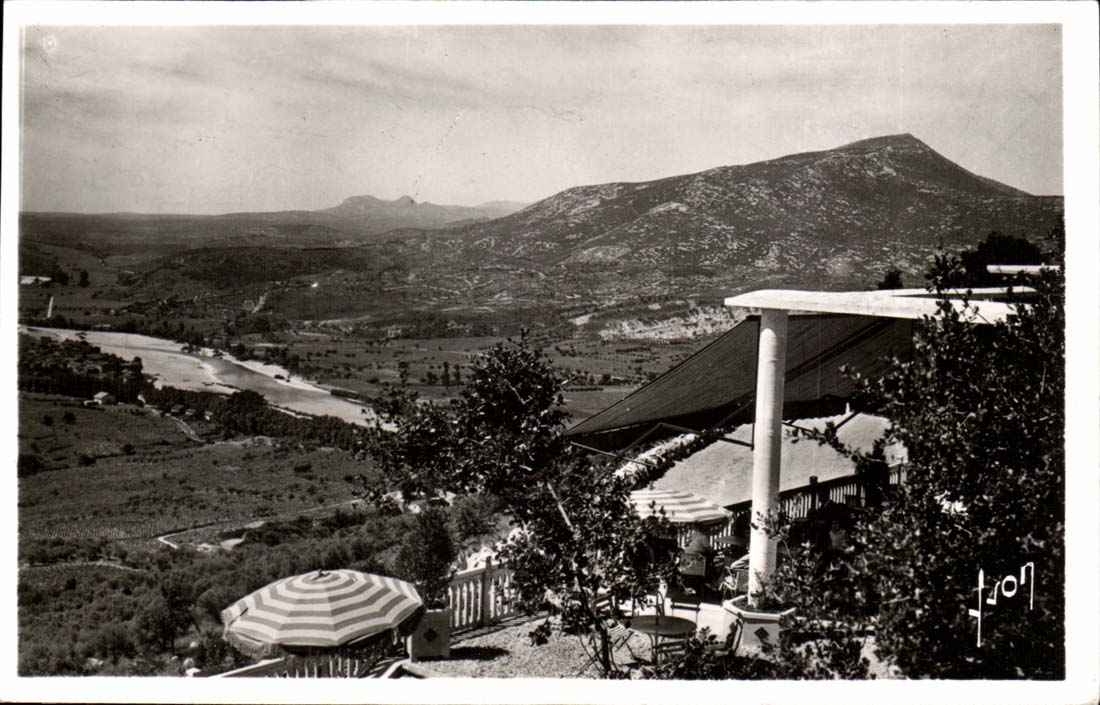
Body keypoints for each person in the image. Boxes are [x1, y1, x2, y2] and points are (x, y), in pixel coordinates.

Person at [678, 525, 716, 598]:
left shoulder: (694, 534)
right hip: (696, 556)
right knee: (708, 559)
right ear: (705, 530)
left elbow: (686, 544)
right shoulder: (704, 537)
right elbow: (708, 548)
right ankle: (709, 578)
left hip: (687, 555)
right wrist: (713, 551)